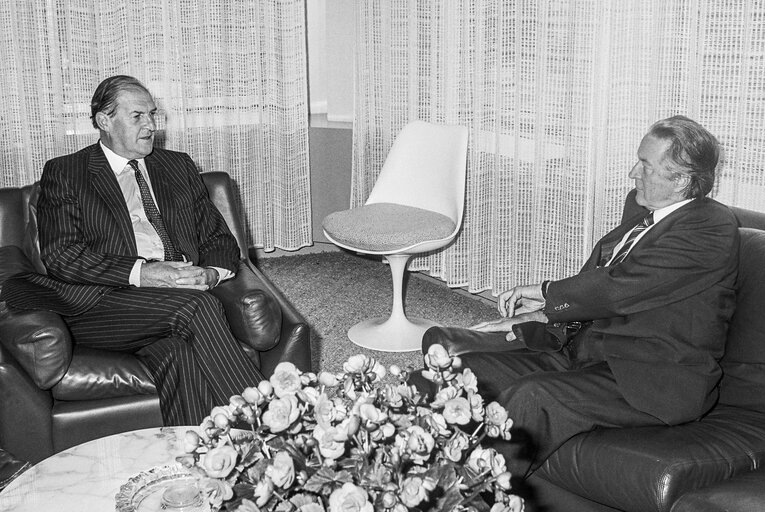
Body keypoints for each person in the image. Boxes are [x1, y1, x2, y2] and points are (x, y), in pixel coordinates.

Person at [417, 115, 739, 478]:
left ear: (681, 180)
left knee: (534, 397)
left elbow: (621, 287)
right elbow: (600, 283)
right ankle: (400, 468)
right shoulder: (642, 210)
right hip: (583, 351)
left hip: (648, 378)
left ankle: (456, 495)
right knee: (448, 365)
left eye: (645, 166)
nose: (633, 172)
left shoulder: (710, 226)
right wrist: (536, 316)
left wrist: (545, 293)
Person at [1, 75, 264, 425]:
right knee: (197, 305)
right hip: (101, 304)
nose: (151, 125)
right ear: (104, 121)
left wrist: (210, 272)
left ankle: (198, 464)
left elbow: (219, 240)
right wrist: (146, 273)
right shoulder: (67, 172)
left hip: (174, 301)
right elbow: (62, 255)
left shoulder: (178, 165)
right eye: (137, 116)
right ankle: (271, 425)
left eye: (152, 114)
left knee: (179, 355)